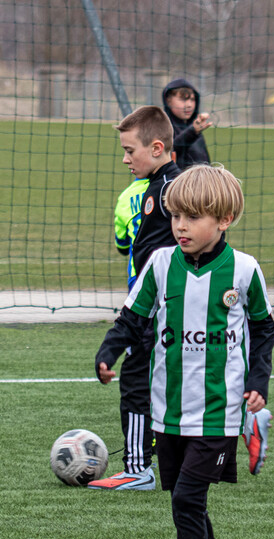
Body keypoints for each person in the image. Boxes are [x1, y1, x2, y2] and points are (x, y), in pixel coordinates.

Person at [95, 164, 274, 539]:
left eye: (193, 217)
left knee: (186, 501)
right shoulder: (160, 264)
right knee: (186, 504)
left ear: (224, 220)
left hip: (219, 412)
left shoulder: (244, 270)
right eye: (176, 216)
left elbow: (263, 328)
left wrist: (258, 379)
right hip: (168, 411)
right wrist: (109, 353)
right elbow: (132, 320)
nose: (181, 226)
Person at [87, 106, 182, 492]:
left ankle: (138, 469)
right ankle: (236, 425)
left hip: (157, 308)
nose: (126, 159)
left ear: (156, 148)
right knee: (173, 383)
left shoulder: (167, 191)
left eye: (130, 151)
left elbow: (155, 261)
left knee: (137, 382)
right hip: (168, 306)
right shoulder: (165, 185)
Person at [162, 79, 212, 170]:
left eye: (192, 99)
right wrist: (192, 132)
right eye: (183, 99)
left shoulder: (195, 128)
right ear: (168, 101)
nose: (189, 105)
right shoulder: (161, 126)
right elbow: (168, 152)